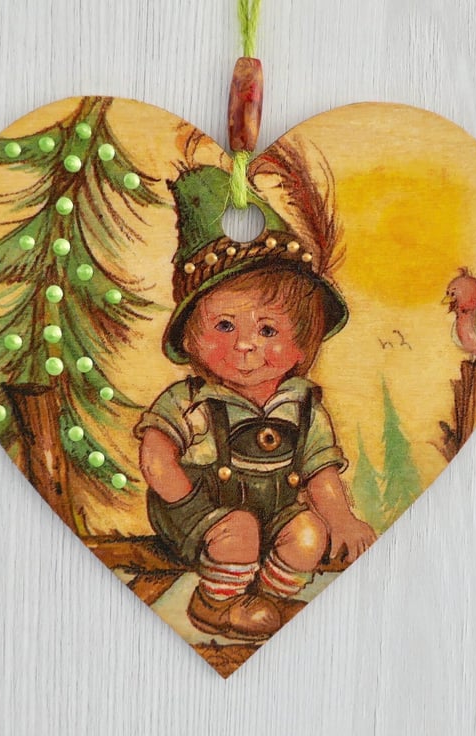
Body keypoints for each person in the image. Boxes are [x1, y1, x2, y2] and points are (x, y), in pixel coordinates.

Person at [134, 167, 376, 641]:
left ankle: (265, 597)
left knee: (309, 534)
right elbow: (156, 455)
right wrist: (187, 502)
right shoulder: (192, 400)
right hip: (197, 509)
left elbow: (320, 473)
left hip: (276, 511)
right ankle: (215, 602)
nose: (246, 345)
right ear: (192, 336)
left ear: (302, 341)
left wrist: (342, 518)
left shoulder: (302, 405)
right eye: (225, 326)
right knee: (240, 530)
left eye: (268, 330)